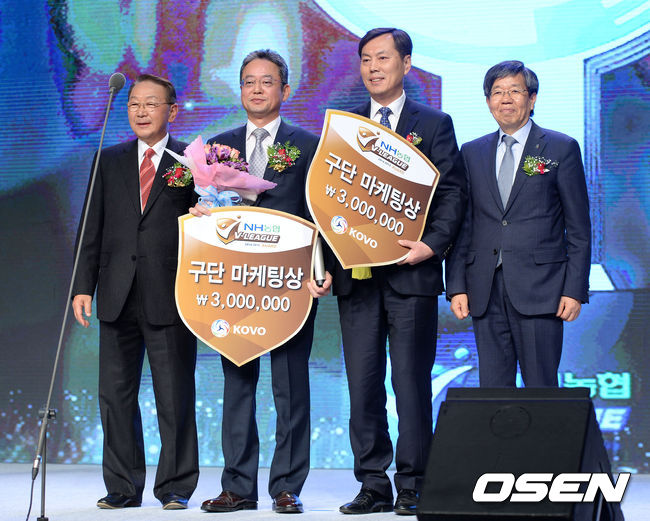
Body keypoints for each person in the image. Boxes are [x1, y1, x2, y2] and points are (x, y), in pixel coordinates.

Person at [309, 28, 466, 515]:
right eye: (365, 59)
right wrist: (322, 263)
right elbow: (326, 198)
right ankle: (373, 484)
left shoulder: (434, 123)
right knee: (363, 385)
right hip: (356, 280)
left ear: (406, 64)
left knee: (411, 385)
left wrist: (431, 246)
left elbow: (452, 193)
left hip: (410, 276)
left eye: (382, 57)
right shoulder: (345, 126)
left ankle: (415, 483)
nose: (373, 67)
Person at [193, 50, 319, 515]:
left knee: (291, 385)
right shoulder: (217, 147)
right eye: (249, 81)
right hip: (234, 285)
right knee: (237, 386)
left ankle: (287, 486)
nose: (257, 89)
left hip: (289, 282)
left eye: (267, 81)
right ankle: (238, 487)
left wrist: (319, 269)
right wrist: (200, 213)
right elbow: (205, 212)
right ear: (240, 89)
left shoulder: (308, 145)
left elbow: (320, 215)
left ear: (285, 89)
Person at [72, 74, 199, 510]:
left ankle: (176, 486)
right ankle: (123, 487)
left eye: (151, 104)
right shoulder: (108, 159)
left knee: (174, 394)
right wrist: (82, 286)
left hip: (171, 292)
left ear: (172, 110)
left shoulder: (192, 160)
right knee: (115, 395)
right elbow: (91, 226)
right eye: (133, 104)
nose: (141, 112)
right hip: (116, 291)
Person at [445, 60, 591, 387]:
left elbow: (579, 228)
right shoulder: (471, 152)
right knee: (493, 392)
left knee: (541, 389)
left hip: (541, 289)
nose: (506, 99)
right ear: (488, 101)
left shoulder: (561, 148)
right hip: (484, 289)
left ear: (532, 98)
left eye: (515, 91)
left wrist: (574, 290)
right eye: (497, 92)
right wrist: (456, 285)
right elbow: (463, 225)